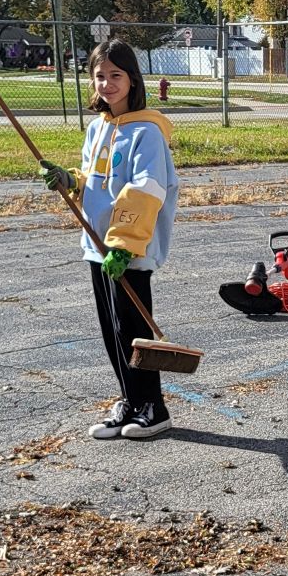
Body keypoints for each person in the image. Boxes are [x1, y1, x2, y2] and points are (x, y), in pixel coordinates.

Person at [43, 38, 180, 440]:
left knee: (132, 327)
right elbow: (93, 180)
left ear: (132, 79)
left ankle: (153, 407)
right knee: (111, 327)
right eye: (99, 76)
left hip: (128, 249)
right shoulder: (97, 127)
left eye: (115, 75)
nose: (107, 84)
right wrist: (69, 181)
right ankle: (128, 401)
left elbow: (146, 190)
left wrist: (122, 245)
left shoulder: (147, 133)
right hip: (97, 245)